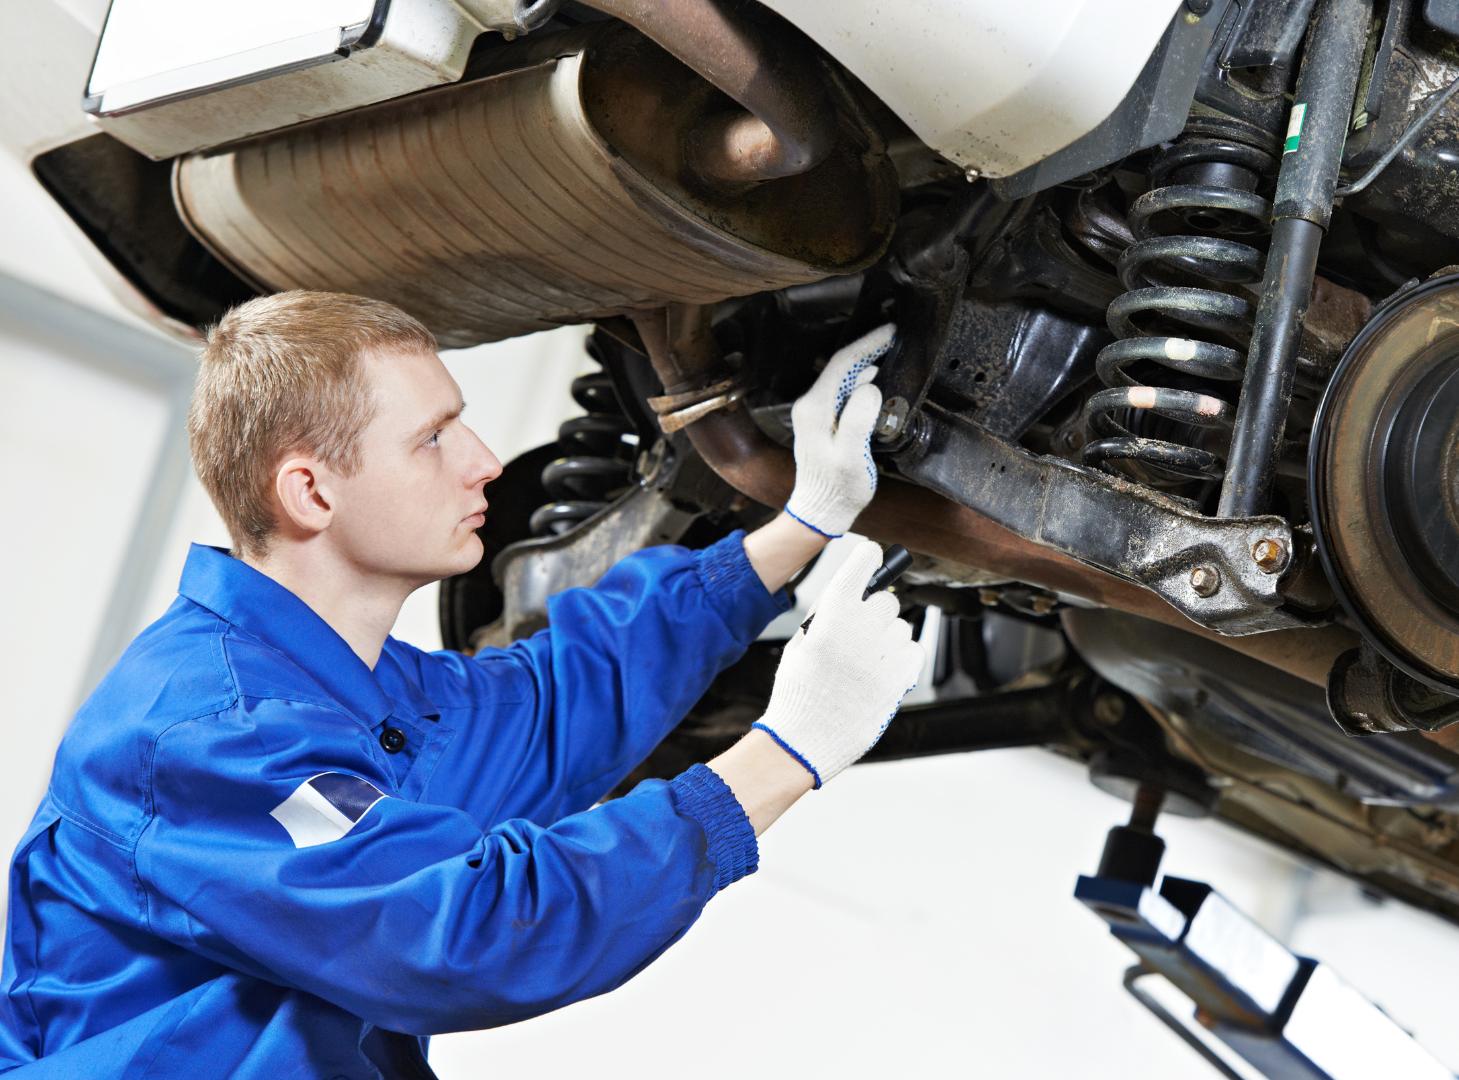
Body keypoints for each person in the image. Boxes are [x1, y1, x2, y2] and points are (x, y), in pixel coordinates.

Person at [0, 292, 923, 1078]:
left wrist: (803, 520)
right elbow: (472, 930)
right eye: (433, 439)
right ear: (311, 494)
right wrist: (785, 753)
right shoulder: (207, 734)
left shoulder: (355, 691)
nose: (484, 459)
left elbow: (558, 704)